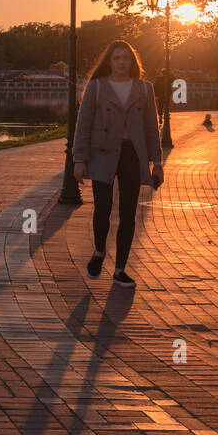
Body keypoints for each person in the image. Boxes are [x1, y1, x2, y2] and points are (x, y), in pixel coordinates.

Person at [72, 40, 163, 289]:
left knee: (128, 213)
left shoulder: (144, 89)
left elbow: (151, 129)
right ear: (109, 62)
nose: (122, 62)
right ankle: (100, 251)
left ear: (133, 61)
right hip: (102, 154)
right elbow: (84, 125)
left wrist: (157, 162)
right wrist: (79, 159)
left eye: (126, 58)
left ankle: (120, 269)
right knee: (102, 208)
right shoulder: (97, 87)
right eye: (117, 58)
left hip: (132, 155)